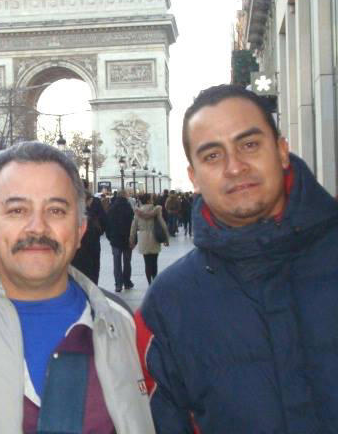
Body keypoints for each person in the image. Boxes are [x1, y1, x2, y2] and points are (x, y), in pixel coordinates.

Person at [135, 84, 338, 433]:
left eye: (249, 145)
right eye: (212, 155)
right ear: (193, 177)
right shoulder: (166, 307)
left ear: (282, 150)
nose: (234, 167)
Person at [0, 141, 155, 433]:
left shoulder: (122, 322)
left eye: (56, 211)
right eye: (17, 210)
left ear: (80, 229)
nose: (37, 227)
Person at [130, 193, 169, 285]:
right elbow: (162, 224)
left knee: (147, 262)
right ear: (148, 200)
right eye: (151, 199)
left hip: (143, 238)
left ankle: (149, 283)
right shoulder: (156, 210)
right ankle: (154, 280)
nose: (152, 200)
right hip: (154, 237)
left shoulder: (138, 212)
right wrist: (166, 238)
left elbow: (133, 227)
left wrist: (131, 240)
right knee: (154, 261)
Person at [105, 190, 135, 291]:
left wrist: (110, 237)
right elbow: (133, 225)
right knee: (127, 262)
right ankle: (127, 282)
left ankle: (118, 284)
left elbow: (107, 224)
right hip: (127, 239)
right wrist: (133, 239)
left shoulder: (112, 208)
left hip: (115, 239)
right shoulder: (128, 208)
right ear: (125, 196)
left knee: (116, 263)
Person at [71, 190, 103, 284]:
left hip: (76, 257)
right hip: (88, 256)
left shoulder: (71, 215)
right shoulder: (89, 217)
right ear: (88, 201)